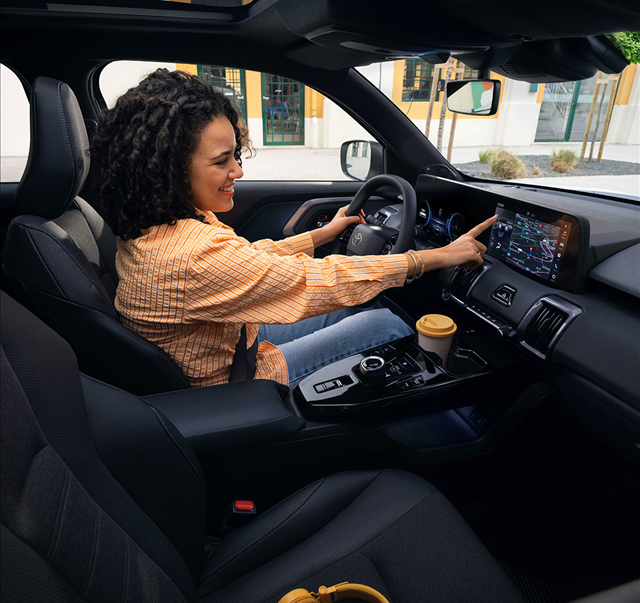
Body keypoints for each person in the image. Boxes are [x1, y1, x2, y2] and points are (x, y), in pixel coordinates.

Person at [90, 69, 493, 389]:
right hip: (233, 383)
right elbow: (316, 280)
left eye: (235, 156)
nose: (238, 171)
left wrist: (321, 235)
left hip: (228, 341)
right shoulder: (191, 254)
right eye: (222, 161)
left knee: (355, 306)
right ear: (170, 169)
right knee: (385, 323)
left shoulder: (153, 223)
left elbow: (247, 263)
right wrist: (434, 257)